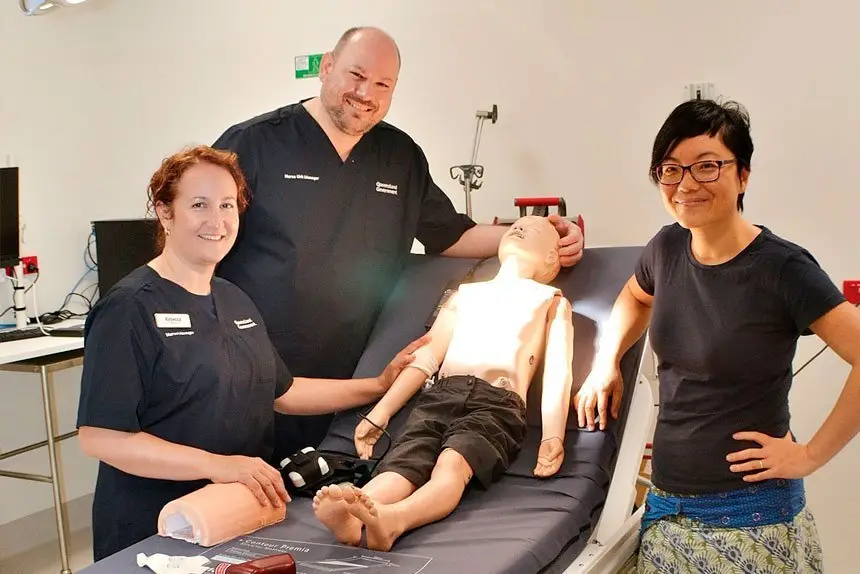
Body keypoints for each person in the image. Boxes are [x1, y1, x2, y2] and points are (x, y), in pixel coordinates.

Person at [211, 26, 585, 464]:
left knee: (309, 500)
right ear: (327, 67)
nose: (365, 93)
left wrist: (534, 232)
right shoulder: (254, 144)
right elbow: (193, 242)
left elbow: (450, 235)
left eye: (382, 85)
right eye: (356, 75)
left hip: (351, 377)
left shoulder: (400, 156)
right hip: (252, 370)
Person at [75, 145, 427, 561]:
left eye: (227, 205)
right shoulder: (129, 308)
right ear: (165, 212)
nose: (217, 221)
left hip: (237, 515)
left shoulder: (233, 299)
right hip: (156, 529)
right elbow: (101, 438)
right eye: (199, 205)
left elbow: (283, 392)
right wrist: (217, 465)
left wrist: (379, 384)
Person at [574, 99, 860, 573]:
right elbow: (635, 296)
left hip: (755, 524)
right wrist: (607, 361)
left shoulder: (782, 268)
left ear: (743, 175)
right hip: (669, 513)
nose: (686, 183)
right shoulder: (666, 247)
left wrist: (809, 455)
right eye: (670, 169)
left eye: (707, 166)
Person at [311, 215, 574, 551]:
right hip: (440, 395)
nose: (520, 227)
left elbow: (558, 371)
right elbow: (428, 357)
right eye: (515, 225)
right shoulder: (465, 295)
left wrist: (554, 435)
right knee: (403, 463)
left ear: (552, 256)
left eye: (535, 228)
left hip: (496, 402)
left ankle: (396, 520)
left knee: (452, 466)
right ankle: (353, 511)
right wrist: (380, 413)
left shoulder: (550, 300)